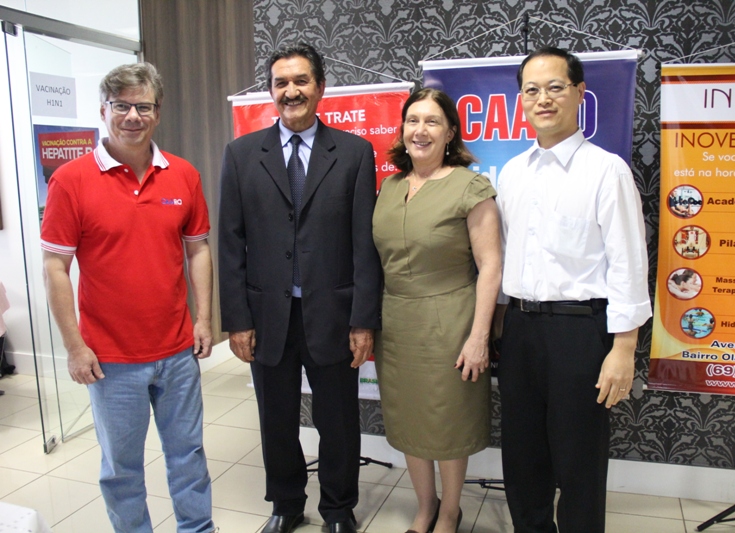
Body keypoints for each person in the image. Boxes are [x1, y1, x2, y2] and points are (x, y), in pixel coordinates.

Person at [41, 62, 215, 533]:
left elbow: (198, 249)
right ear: (103, 110)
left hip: (177, 352)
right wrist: (75, 346)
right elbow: (55, 267)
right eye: (121, 106)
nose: (133, 116)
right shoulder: (70, 180)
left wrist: (203, 320)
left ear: (158, 113)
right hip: (110, 359)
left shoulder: (183, 174)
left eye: (144, 107)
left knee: (189, 456)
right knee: (122, 469)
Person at [217, 42, 382, 533]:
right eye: (281, 83)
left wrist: (363, 320)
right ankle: (286, 504)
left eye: (301, 81)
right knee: (276, 419)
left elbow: (364, 245)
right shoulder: (241, 154)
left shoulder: (354, 153)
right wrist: (237, 321)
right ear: (271, 91)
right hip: (267, 316)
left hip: (333, 314)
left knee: (338, 421)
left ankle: (338, 509)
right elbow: (231, 242)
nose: (291, 91)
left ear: (320, 87)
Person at [495, 47, 651, 533]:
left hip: (579, 333)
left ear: (580, 93)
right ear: (521, 100)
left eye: (555, 88)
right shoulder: (513, 173)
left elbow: (628, 263)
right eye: (531, 90)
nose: (543, 99)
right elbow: (505, 255)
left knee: (579, 461)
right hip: (519, 329)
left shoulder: (606, 170)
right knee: (522, 458)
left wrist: (623, 349)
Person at [373, 88, 502, 533]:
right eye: (412, 121)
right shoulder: (390, 187)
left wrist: (479, 337)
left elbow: (491, 266)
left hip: (452, 321)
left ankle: (450, 511)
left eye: (432, 121)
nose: (420, 130)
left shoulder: (470, 186)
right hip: (397, 323)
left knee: (447, 421)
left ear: (450, 133)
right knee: (409, 418)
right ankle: (425, 506)